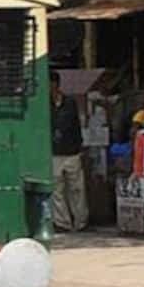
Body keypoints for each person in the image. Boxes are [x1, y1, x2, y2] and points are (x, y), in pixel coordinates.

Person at [48, 67, 87, 231]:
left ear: (56, 84)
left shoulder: (70, 103)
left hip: (72, 151)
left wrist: (80, 146)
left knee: (77, 188)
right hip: (54, 152)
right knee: (57, 190)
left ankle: (81, 221)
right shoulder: (44, 104)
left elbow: (76, 126)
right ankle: (63, 222)